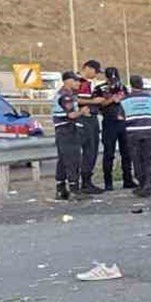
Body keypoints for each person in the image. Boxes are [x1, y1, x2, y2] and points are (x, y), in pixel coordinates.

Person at [120, 75, 151, 197]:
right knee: (149, 159)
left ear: (131, 85)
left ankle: (142, 184)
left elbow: (120, 117)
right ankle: (148, 183)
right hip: (149, 132)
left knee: (137, 159)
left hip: (133, 133)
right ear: (142, 84)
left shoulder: (125, 101)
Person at [97, 66, 133, 190]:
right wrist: (112, 99)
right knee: (109, 153)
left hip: (123, 123)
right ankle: (108, 183)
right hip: (109, 122)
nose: (113, 80)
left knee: (126, 153)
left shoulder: (123, 88)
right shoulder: (100, 89)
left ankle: (127, 180)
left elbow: (129, 102)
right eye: (110, 77)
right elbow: (99, 104)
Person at [52, 72, 85, 200]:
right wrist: (82, 112)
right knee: (72, 159)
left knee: (63, 160)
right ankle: (74, 189)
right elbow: (71, 115)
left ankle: (61, 189)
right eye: (75, 81)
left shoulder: (65, 94)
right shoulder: (66, 96)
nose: (78, 83)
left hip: (61, 130)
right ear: (67, 81)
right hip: (67, 129)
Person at [74, 60, 106, 193]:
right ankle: (84, 183)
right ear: (88, 68)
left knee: (92, 150)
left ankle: (86, 181)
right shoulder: (79, 82)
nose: (97, 75)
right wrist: (94, 101)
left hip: (90, 118)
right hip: (84, 119)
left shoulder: (88, 83)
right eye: (96, 72)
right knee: (89, 149)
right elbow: (76, 99)